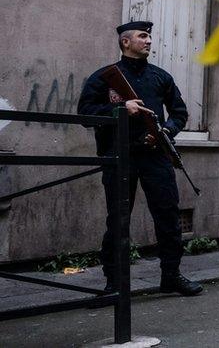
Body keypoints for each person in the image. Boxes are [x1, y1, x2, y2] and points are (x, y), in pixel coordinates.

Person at [77, 21, 203, 296]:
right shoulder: (105, 77)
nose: (148, 41)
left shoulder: (161, 77)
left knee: (168, 217)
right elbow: (85, 114)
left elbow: (179, 113)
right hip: (118, 157)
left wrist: (165, 131)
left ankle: (171, 276)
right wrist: (122, 108)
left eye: (149, 37)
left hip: (155, 156)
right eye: (142, 36)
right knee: (118, 220)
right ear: (126, 42)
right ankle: (114, 284)